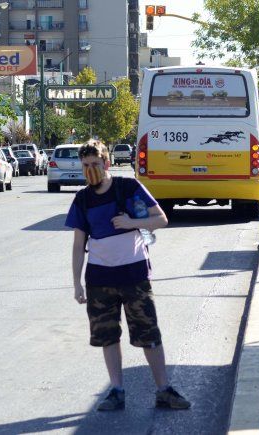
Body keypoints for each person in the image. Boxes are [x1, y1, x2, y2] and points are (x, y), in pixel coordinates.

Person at [66, 141, 190, 411]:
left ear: (106, 163)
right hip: (100, 279)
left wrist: (132, 222)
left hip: (134, 275)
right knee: (107, 336)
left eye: (95, 164)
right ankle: (117, 390)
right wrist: (76, 283)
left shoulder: (129, 189)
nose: (91, 170)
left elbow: (161, 219)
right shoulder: (82, 199)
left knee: (149, 334)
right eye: (85, 166)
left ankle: (164, 389)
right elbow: (78, 245)